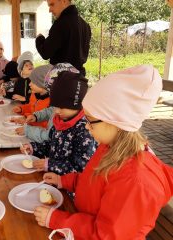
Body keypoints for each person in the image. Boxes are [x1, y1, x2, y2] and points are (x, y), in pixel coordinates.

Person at [34, 65, 173, 240]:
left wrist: (56, 219)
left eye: (90, 120)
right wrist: (66, 180)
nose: (86, 126)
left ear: (115, 121)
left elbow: (106, 235)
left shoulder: (136, 182)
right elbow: (92, 181)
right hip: (82, 220)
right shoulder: (109, 146)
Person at [21, 71, 96, 175]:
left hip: (69, 188)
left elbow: (80, 168)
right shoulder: (59, 121)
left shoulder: (85, 130)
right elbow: (51, 144)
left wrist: (50, 165)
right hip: (52, 180)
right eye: (55, 106)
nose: (56, 111)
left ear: (78, 105)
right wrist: (34, 148)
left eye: (61, 107)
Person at [36, 0, 91, 76]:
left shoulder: (61, 24)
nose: (50, 10)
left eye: (52, 4)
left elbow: (45, 53)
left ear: (64, 1)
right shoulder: (85, 25)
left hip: (62, 80)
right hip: (80, 80)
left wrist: (39, 38)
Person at [12, 65, 52, 130]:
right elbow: (31, 107)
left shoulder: (51, 102)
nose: (29, 84)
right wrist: (21, 109)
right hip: (31, 128)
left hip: (38, 133)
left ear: (42, 83)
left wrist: (28, 122)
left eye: (33, 82)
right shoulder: (34, 94)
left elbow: (45, 124)